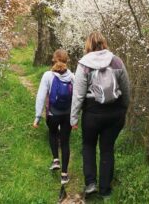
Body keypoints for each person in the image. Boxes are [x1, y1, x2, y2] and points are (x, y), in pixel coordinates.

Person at [70, 32, 130, 198]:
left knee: (88, 146)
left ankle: (90, 184)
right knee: (107, 149)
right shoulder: (117, 61)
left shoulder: (84, 64)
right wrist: (124, 107)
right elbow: (126, 88)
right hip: (115, 113)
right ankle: (105, 191)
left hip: (92, 114)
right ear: (104, 43)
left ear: (88, 45)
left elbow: (79, 94)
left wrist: (74, 118)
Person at [33, 49, 75, 185]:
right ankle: (64, 175)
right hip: (67, 114)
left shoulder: (47, 76)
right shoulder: (72, 77)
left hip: (53, 114)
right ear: (66, 60)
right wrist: (75, 117)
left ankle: (56, 160)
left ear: (54, 59)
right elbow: (77, 98)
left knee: (52, 133)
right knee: (65, 142)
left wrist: (37, 116)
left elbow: (40, 96)